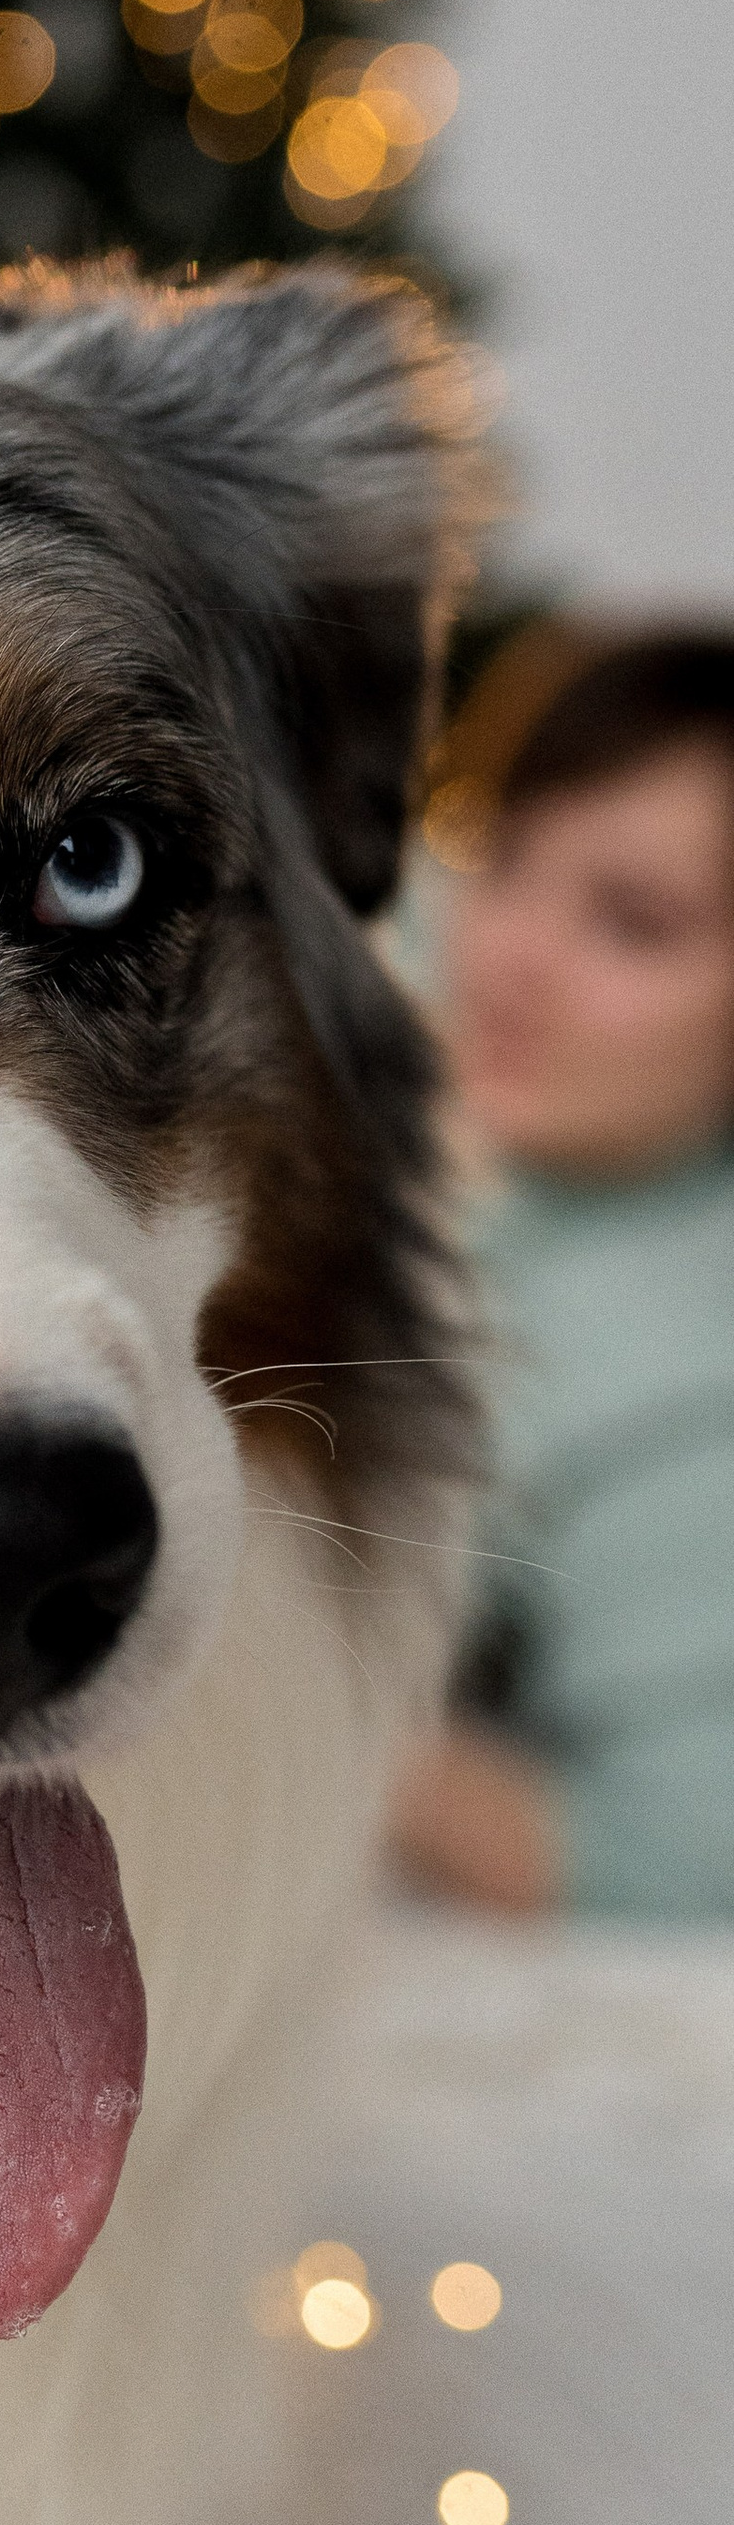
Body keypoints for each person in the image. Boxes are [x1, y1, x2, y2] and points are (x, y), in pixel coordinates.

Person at [392, 625, 734, 1918]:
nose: (510, 954)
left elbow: (681, 1863)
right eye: (507, 856)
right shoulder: (514, 1135)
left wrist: (276, 1686)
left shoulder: (686, 1386)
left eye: (633, 924)